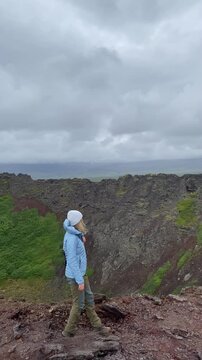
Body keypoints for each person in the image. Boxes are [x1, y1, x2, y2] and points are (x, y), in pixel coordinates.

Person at [62, 210, 111, 337]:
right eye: (80, 220)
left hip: (81, 273)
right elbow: (72, 261)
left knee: (89, 298)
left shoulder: (72, 232)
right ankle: (68, 331)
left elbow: (74, 238)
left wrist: (80, 236)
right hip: (76, 276)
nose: (82, 222)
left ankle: (97, 326)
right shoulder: (71, 239)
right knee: (78, 304)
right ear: (76, 222)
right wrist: (79, 281)